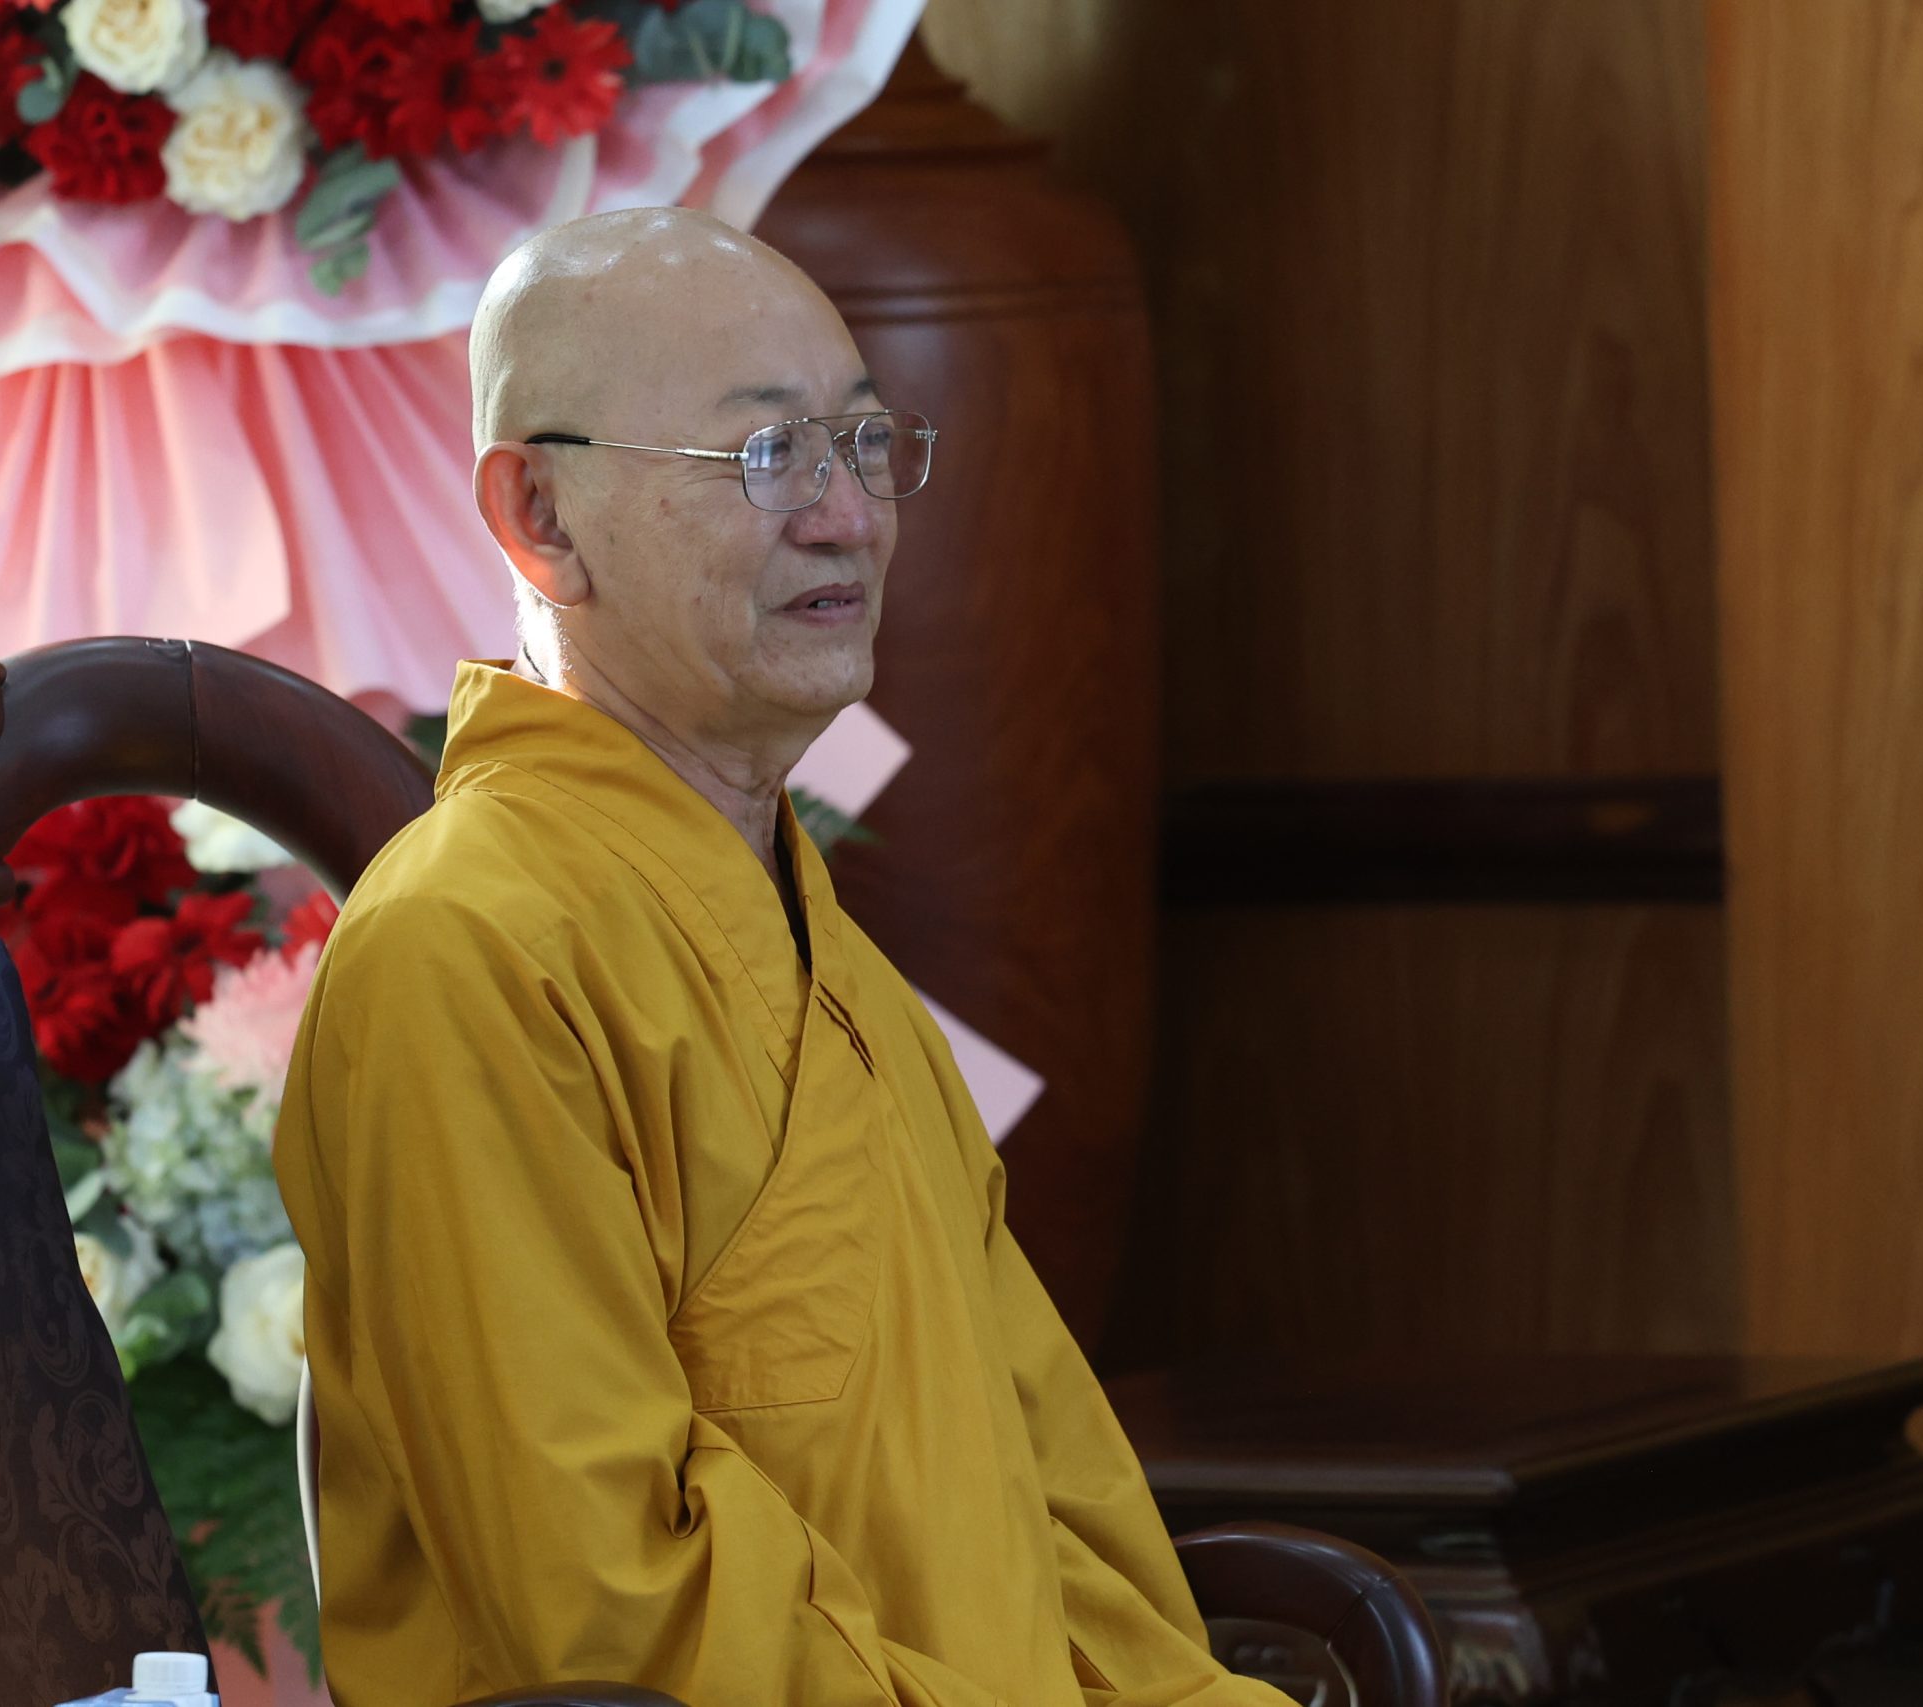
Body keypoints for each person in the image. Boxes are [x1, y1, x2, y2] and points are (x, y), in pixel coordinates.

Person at [272, 208, 1288, 1707]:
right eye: (767, 457)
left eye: (867, 445)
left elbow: (1054, 1513)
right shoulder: (466, 949)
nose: (849, 517)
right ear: (540, 514)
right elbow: (615, 1624)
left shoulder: (825, 958)